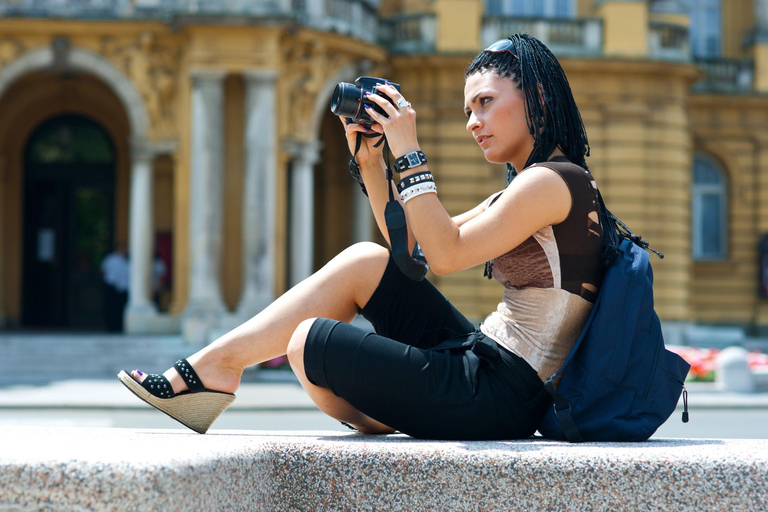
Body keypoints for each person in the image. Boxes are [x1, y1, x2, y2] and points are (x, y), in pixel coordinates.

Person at [119, 34, 637, 439]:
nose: (473, 123)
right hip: (485, 361)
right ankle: (215, 367)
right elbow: (414, 256)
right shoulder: (536, 182)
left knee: (308, 344)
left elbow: (446, 254)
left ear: (538, 97)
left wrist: (408, 147)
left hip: (501, 394)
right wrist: (371, 162)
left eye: (484, 103)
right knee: (367, 260)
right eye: (467, 111)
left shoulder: (553, 182)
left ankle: (387, 407)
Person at [101, 241, 130, 332]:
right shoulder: (110, 259)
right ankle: (111, 327)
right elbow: (103, 270)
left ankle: (120, 327)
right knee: (112, 308)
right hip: (112, 286)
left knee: (122, 308)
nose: (124, 250)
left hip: (124, 287)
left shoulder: (127, 260)